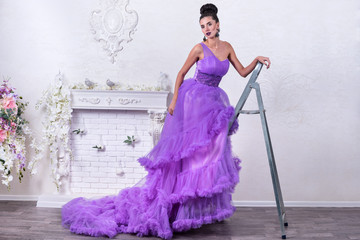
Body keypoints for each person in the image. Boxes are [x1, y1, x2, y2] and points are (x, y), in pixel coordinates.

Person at [62, 3, 271, 240]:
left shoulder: (227, 47)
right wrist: (174, 101)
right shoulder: (198, 48)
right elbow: (181, 74)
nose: (207, 29)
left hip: (213, 102)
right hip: (193, 100)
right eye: (203, 26)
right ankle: (180, 210)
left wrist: (257, 59)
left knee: (211, 153)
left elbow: (242, 71)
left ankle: (195, 209)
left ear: (218, 24)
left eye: (210, 24)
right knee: (191, 155)